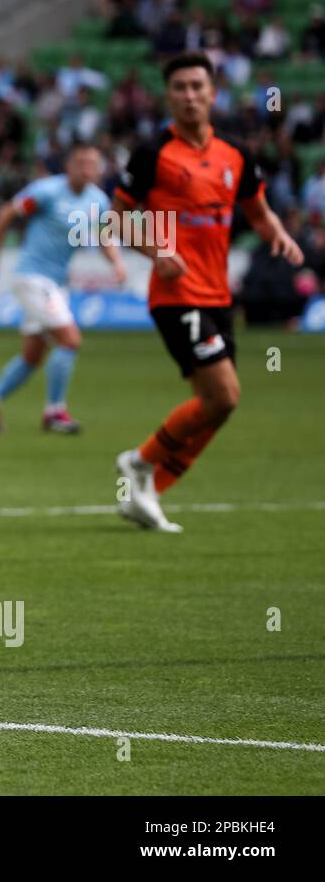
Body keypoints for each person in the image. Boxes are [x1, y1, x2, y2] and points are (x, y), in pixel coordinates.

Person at [107, 52, 303, 532]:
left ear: (214, 93)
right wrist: (156, 252)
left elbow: (256, 210)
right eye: (180, 87)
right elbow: (114, 220)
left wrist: (277, 232)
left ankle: (148, 494)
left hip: (218, 296)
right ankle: (138, 462)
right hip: (175, 294)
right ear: (168, 96)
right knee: (225, 397)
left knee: (212, 412)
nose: (190, 95)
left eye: (198, 86)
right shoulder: (152, 154)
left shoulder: (235, 154)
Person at [0, 143, 128, 433]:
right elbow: (6, 214)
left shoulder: (97, 200)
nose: (86, 168)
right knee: (70, 340)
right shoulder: (46, 192)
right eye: (81, 162)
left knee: (32, 355)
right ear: (68, 165)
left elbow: (103, 236)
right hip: (32, 278)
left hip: (56, 284)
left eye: (92, 164)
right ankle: (55, 412)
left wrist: (117, 263)